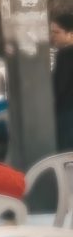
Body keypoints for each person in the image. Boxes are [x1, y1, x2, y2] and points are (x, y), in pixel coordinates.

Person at [53, 13, 73, 151]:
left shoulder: (65, 54)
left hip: (66, 112)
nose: (52, 36)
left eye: (56, 32)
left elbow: (59, 86)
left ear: (70, 34)